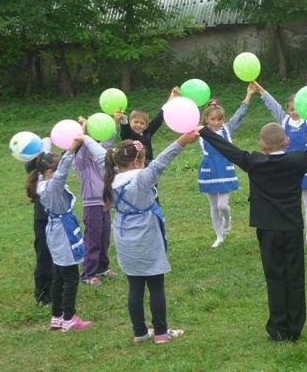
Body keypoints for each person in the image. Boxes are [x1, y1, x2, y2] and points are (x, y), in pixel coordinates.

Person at [195, 104, 307, 342]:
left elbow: (229, 149)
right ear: (287, 142)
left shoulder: (254, 162)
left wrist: (204, 130)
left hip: (268, 229)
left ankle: (279, 328)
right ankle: (295, 327)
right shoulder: (299, 160)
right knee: (295, 275)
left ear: (262, 145)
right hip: (292, 227)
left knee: (275, 276)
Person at [98, 131, 199, 344]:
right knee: (155, 285)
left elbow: (99, 154)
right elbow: (162, 161)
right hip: (146, 236)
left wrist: (83, 138)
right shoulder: (141, 179)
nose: (146, 164)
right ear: (136, 162)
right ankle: (161, 333)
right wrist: (181, 141)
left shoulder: (110, 175)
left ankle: (140, 332)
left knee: (135, 287)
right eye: (143, 160)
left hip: (124, 236)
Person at [25, 138, 92, 331]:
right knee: (71, 277)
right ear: (49, 172)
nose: (62, 173)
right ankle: (69, 318)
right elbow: (63, 170)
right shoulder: (53, 185)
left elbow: (45, 162)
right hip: (63, 233)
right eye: (56, 169)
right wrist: (71, 150)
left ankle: (57, 316)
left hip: (54, 231)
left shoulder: (41, 181)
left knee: (58, 275)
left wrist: (45, 145)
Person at [252, 80, 307, 245]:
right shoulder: (283, 120)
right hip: (287, 166)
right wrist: (260, 89)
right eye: (291, 109)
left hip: (305, 165)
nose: (295, 112)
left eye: (297, 108)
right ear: (287, 110)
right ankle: (290, 227)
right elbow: (272, 104)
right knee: (291, 201)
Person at [198, 86, 255, 247]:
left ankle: (227, 219)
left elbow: (240, 114)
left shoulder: (227, 129)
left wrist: (249, 95)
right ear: (206, 119)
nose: (216, 122)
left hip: (225, 169)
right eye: (213, 119)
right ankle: (219, 236)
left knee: (222, 205)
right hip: (209, 171)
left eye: (219, 119)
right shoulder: (200, 131)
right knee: (213, 206)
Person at [74, 116, 117, 285]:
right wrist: (83, 131)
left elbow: (108, 142)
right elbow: (84, 147)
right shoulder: (81, 163)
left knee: (104, 237)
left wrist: (113, 123)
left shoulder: (101, 159)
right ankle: (88, 273)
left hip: (105, 202)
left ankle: (102, 267)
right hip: (92, 205)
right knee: (93, 239)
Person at [118, 87, 180, 163]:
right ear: (130, 122)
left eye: (142, 123)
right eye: (136, 122)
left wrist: (171, 97)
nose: (138, 125)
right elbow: (125, 128)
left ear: (146, 126)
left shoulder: (147, 132)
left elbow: (159, 118)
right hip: (133, 166)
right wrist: (123, 119)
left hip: (149, 164)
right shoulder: (128, 134)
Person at [25, 138, 53, 306]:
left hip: (57, 219)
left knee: (56, 256)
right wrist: (39, 153)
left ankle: (56, 288)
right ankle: (43, 294)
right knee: (44, 255)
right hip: (43, 219)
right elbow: (30, 166)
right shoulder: (37, 173)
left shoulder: (50, 170)